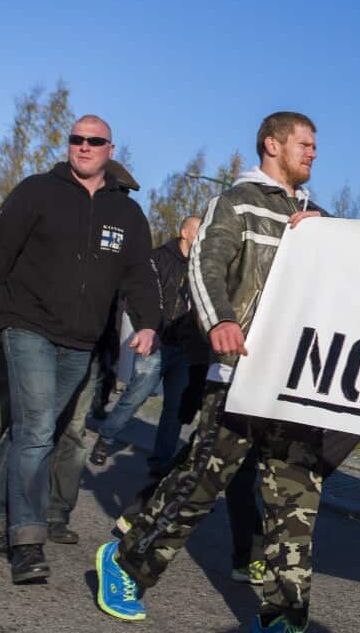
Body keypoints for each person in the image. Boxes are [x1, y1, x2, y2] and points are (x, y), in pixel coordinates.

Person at [95, 111, 325, 633]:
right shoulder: (235, 202)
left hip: (294, 386)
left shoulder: (320, 219)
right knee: (199, 484)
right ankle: (127, 562)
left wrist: (325, 240)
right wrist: (219, 319)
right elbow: (205, 264)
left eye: (315, 147)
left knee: (297, 503)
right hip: (239, 378)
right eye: (304, 144)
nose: (313, 153)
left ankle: (284, 616)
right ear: (272, 144)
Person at [0, 115, 159, 584]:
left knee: (30, 428)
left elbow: (140, 276)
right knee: (38, 430)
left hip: (82, 341)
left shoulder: (127, 214)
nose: (83, 147)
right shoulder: (36, 192)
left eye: (94, 141)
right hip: (28, 326)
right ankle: (26, 540)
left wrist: (149, 324)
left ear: (111, 148)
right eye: (75, 139)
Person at [91, 215, 207, 470]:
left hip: (185, 348)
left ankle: (161, 459)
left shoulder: (203, 266)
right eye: (199, 232)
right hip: (158, 342)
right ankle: (105, 437)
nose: (203, 238)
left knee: (174, 407)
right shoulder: (158, 259)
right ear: (185, 233)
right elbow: (138, 296)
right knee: (136, 395)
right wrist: (149, 328)